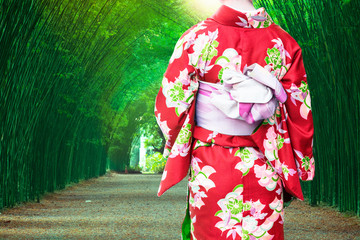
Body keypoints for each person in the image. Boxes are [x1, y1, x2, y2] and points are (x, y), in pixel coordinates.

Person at [154, 0, 315, 239]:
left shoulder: (196, 38)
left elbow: (171, 109)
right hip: (265, 163)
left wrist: (175, 146)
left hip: (209, 163)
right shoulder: (284, 43)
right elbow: (300, 113)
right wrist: (301, 163)